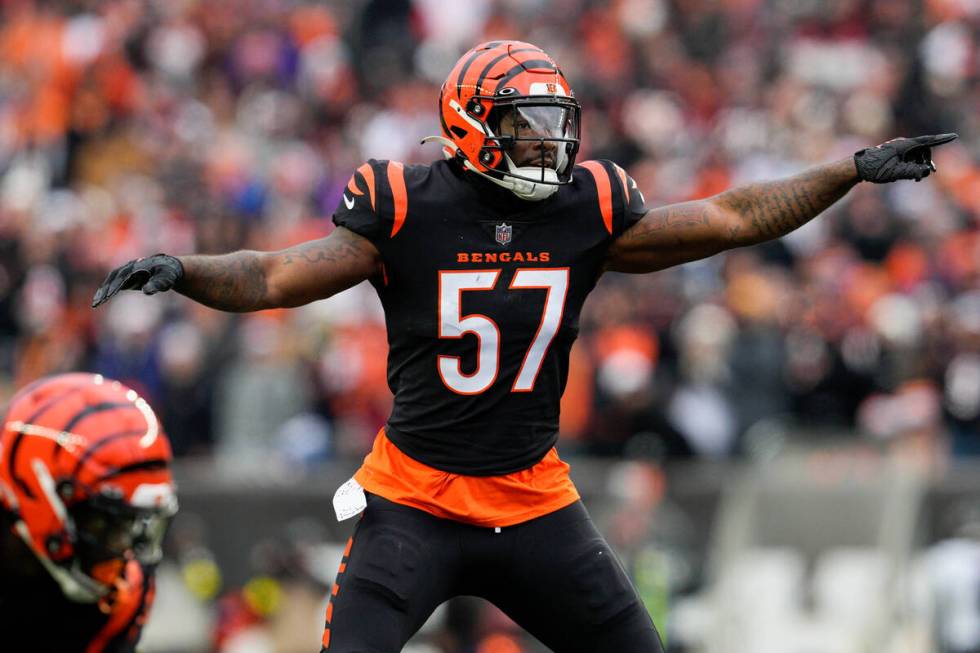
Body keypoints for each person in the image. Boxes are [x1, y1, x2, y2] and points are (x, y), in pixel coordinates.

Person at [91, 40, 956, 652]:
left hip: (534, 498)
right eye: (527, 123)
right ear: (471, 126)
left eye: (552, 121)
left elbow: (730, 217)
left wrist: (846, 170)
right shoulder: (405, 203)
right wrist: (186, 268)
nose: (551, 141)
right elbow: (275, 276)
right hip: (413, 501)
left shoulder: (588, 204)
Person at [0, 372, 179, 652]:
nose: (123, 551)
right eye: (104, 524)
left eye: (130, 523)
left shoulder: (122, 594)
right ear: (40, 495)